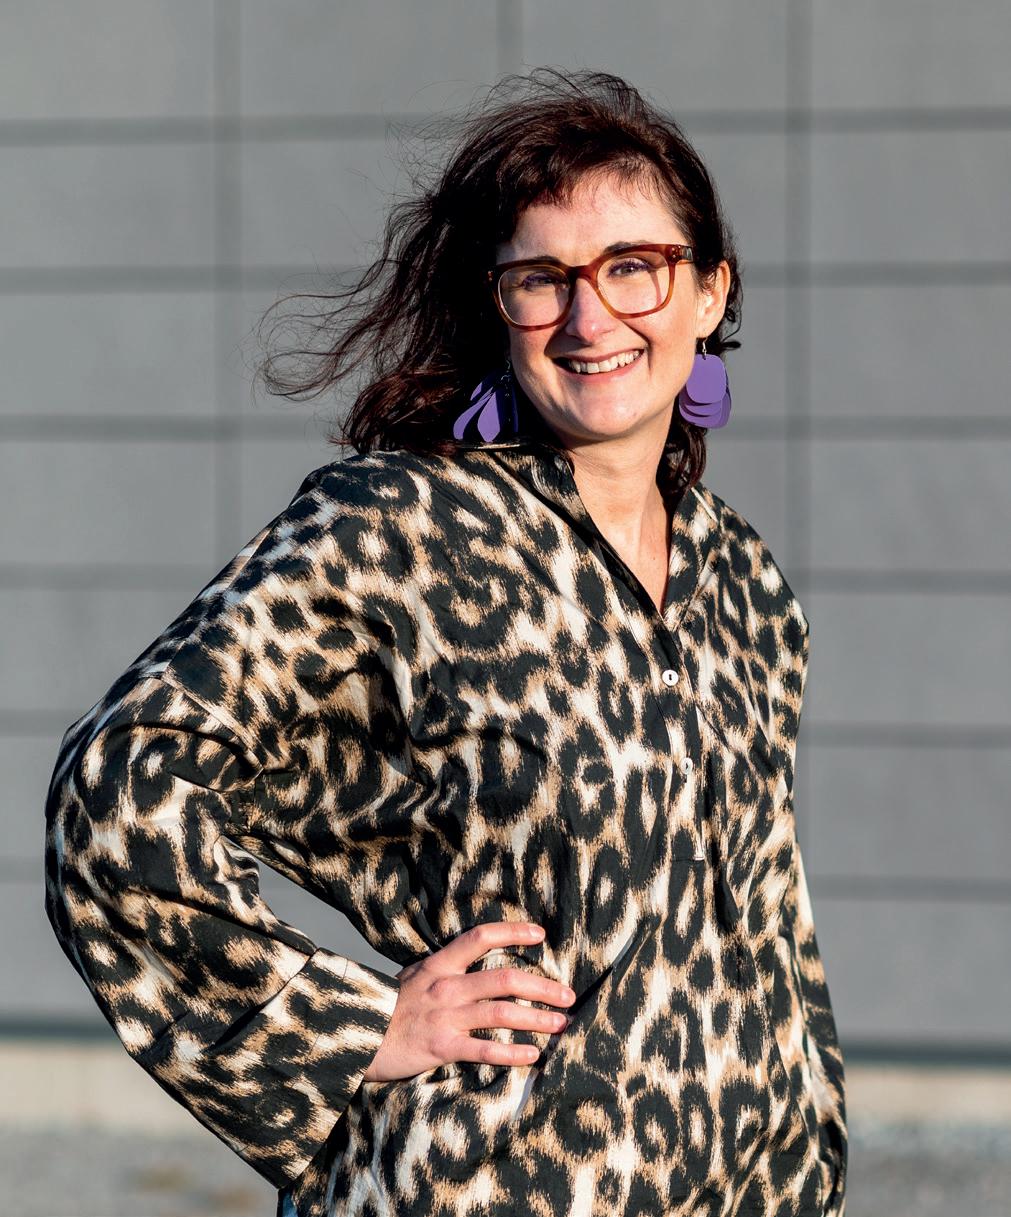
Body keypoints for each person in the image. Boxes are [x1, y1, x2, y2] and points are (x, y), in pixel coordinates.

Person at [43, 69, 847, 1217]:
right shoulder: (399, 526)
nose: (590, 318)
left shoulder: (746, 584)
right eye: (542, 279)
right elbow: (119, 788)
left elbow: (769, 923)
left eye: (634, 266)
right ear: (498, 306)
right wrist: (346, 1026)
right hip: (478, 1183)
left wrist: (811, 1154)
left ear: (710, 290)